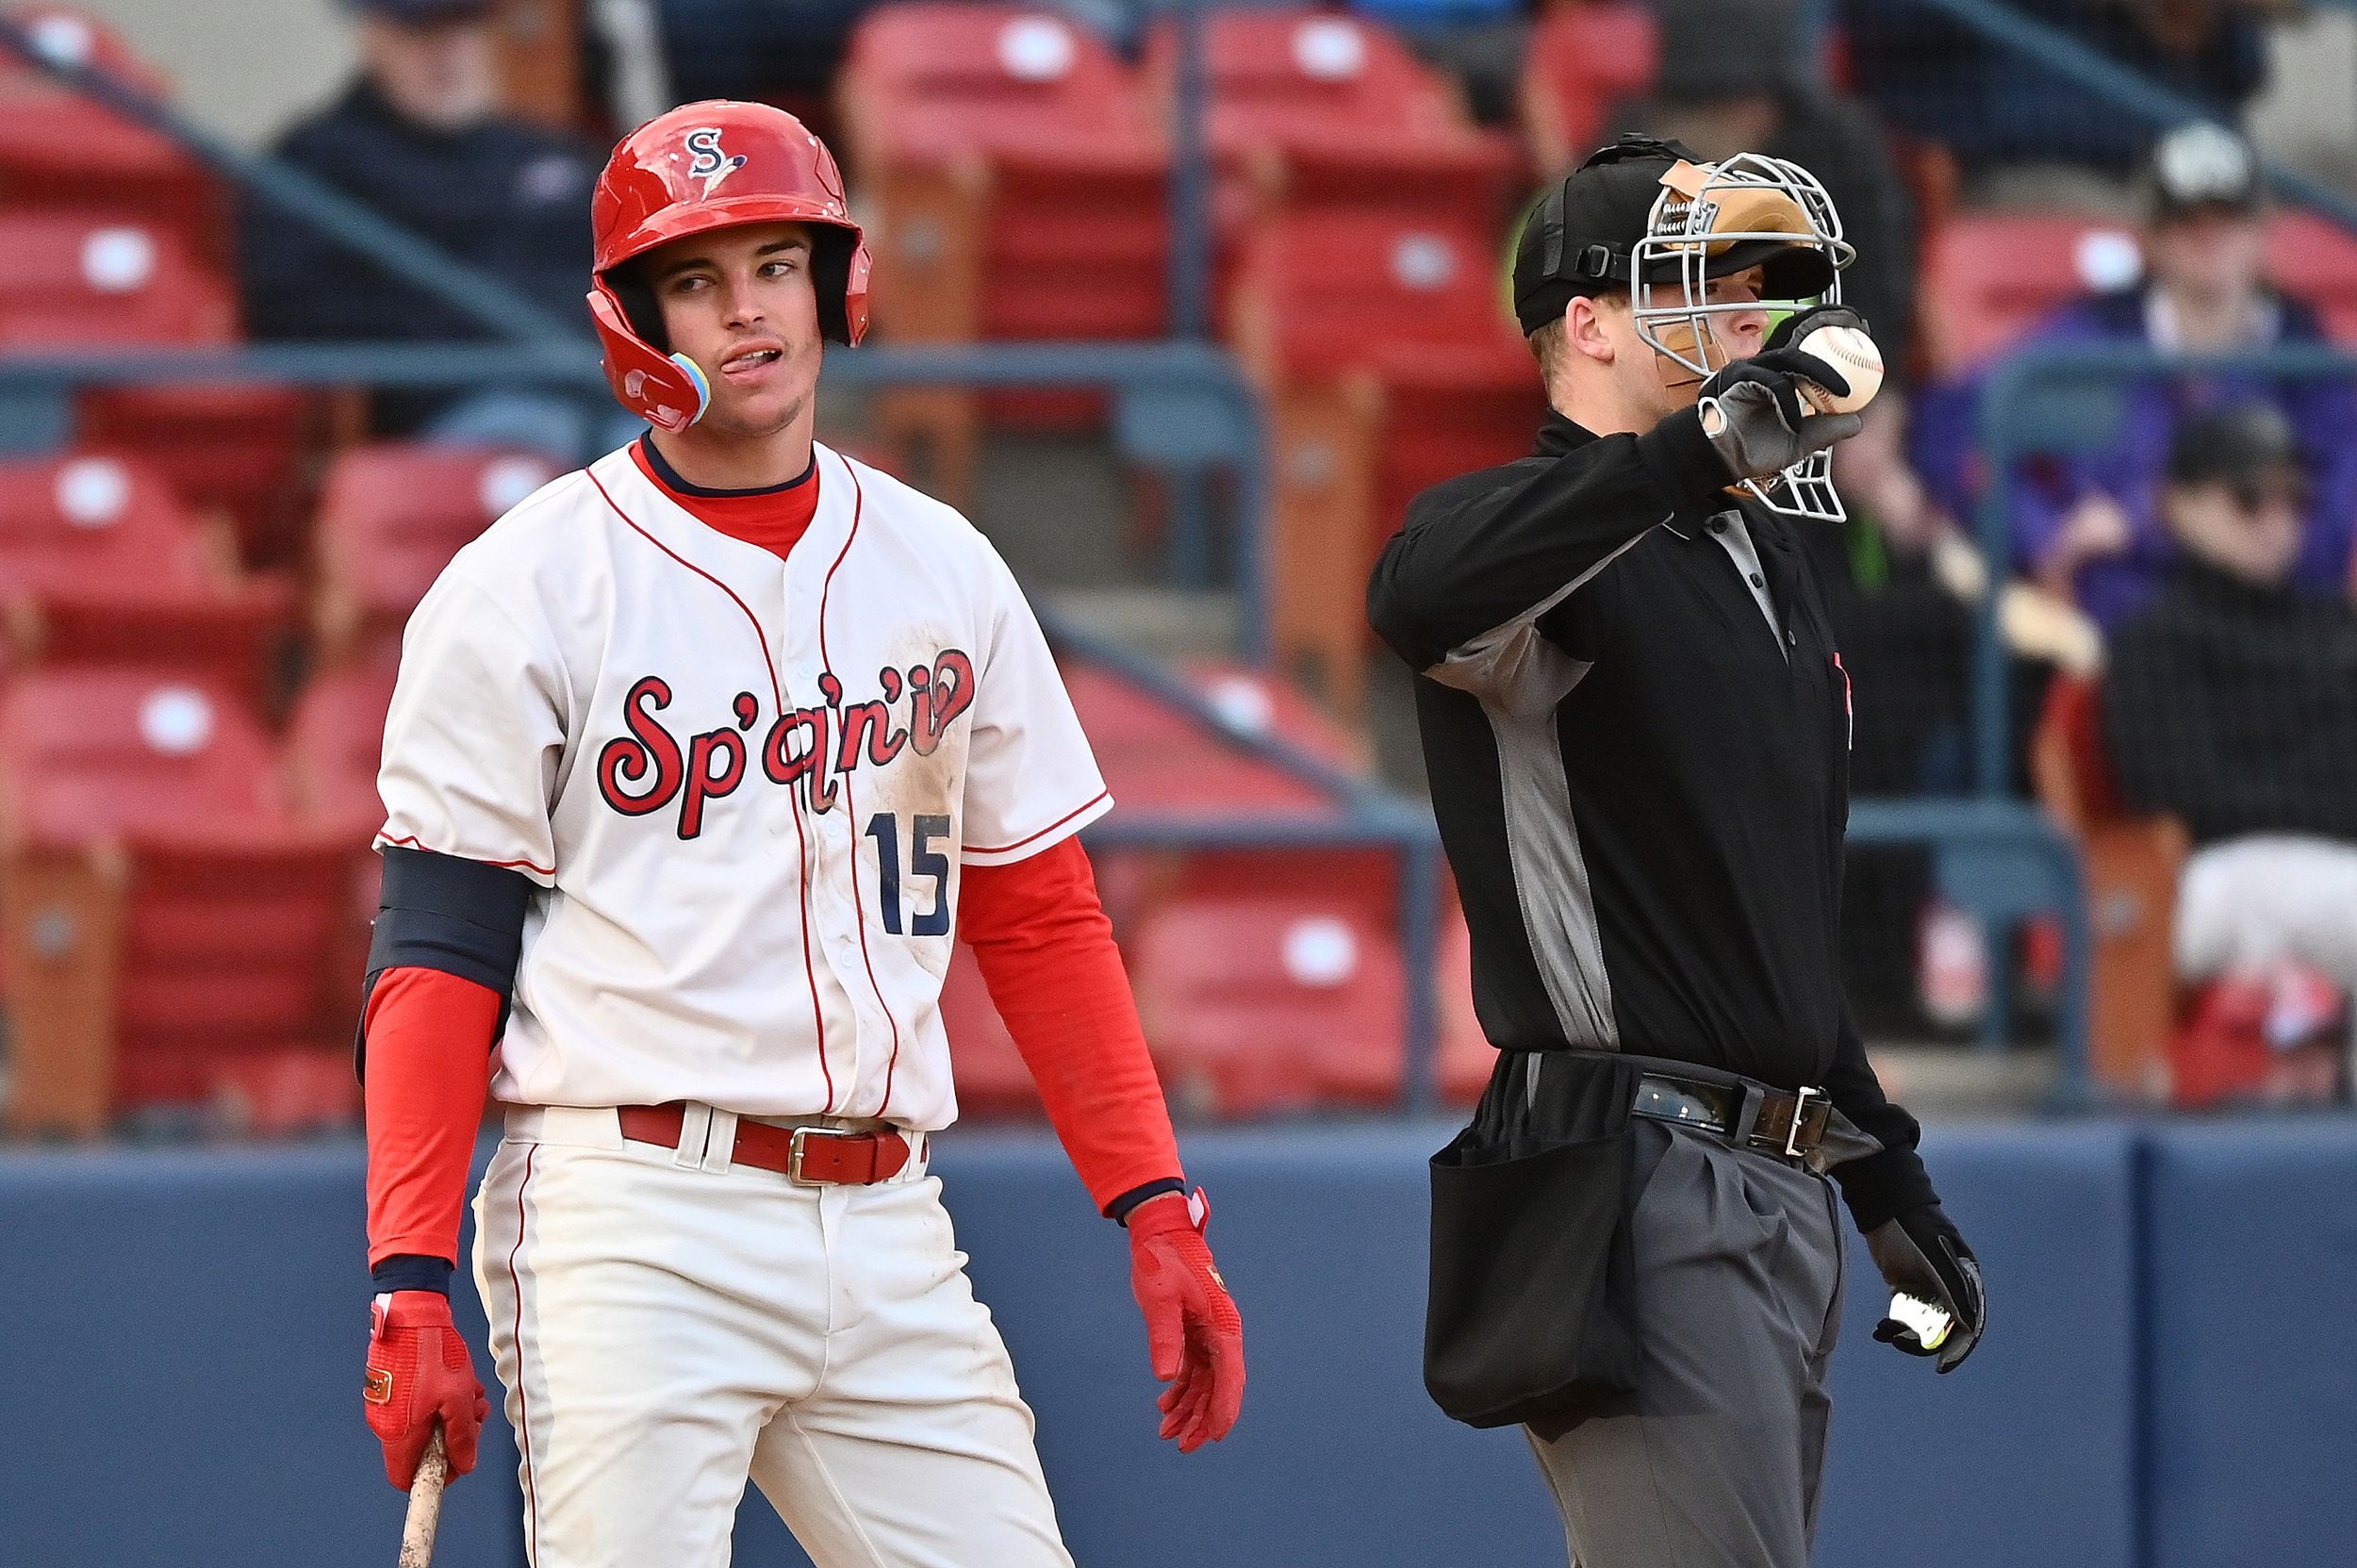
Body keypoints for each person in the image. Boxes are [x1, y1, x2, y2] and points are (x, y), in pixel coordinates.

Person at [353, 101, 1244, 1567]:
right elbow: (441, 947)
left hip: (890, 1217)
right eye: (698, 280)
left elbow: (1037, 911)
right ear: (637, 323)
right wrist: (408, 1272)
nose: (748, 307)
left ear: (836, 282)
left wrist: (1155, 1200)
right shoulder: (529, 584)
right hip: (633, 1210)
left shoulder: (938, 561)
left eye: (775, 261)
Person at [1368, 135, 1985, 1568]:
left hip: (1779, 1181)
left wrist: (1884, 1175)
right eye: (1700, 284)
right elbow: (1424, 590)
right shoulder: (1531, 527)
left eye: (1761, 288)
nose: (1751, 322)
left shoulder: (1767, 554)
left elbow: (1772, 930)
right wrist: (1695, 452)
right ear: (1585, 322)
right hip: (1633, 1165)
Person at [1916, 121, 2357, 630]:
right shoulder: (2095, 334)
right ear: (2151, 235)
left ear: (2262, 231)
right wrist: (2042, 534)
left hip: (2280, 629)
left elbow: (2330, 527)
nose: (2210, 238)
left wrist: (2151, 525)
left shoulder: (2308, 358)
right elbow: (1952, 429)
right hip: (2123, 634)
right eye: (2187, 219)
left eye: (2229, 217)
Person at [239, 0, 623, 461]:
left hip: (601, 391)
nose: (450, 52)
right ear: (372, 33)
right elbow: (295, 315)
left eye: (465, 26)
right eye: (423, 31)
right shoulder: (317, 162)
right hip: (447, 410)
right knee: (546, 444)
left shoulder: (551, 154)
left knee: (682, 449)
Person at [2103, 403, 2357, 1098]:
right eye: (2250, 497)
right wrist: (2334, 806)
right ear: (2179, 505)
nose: (2278, 520)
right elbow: (2184, 796)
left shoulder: (2330, 623)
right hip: (2205, 876)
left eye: (2293, 500)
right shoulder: (2156, 638)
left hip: (2320, 859)